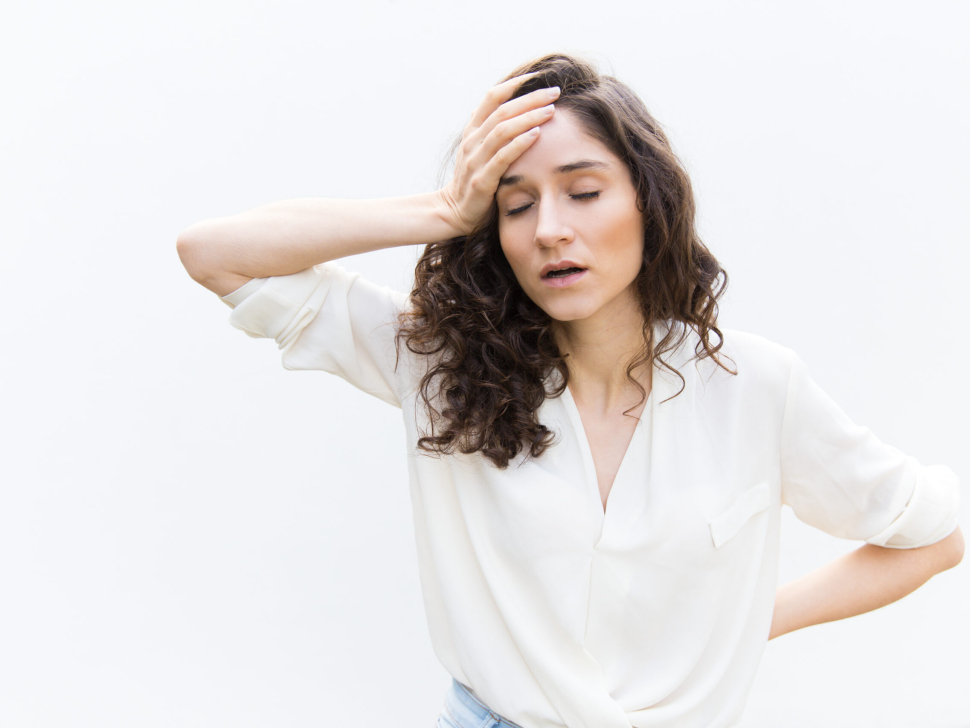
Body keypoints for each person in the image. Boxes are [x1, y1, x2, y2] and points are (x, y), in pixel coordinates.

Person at [176, 53, 963, 728]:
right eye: (516, 205)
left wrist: (743, 621)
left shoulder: (756, 388)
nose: (550, 228)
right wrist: (444, 209)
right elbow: (214, 253)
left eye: (583, 192)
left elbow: (937, 533)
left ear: (647, 205)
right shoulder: (441, 364)